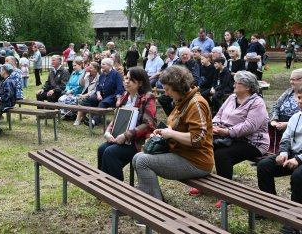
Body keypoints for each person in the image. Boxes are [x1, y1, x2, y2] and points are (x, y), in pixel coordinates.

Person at [132, 65, 214, 201]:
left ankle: (153, 209)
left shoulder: (196, 103)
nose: (165, 93)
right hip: (181, 154)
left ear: (178, 86)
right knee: (137, 157)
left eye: (167, 89)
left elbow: (198, 138)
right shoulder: (182, 101)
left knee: (142, 161)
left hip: (197, 161)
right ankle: (151, 199)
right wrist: (164, 132)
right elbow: (175, 127)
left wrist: (171, 134)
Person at [212, 71, 269, 207]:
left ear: (247, 87)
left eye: (238, 83)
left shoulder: (257, 102)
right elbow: (218, 114)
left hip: (253, 142)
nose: (234, 85)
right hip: (229, 136)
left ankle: (226, 195)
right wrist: (215, 125)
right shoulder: (232, 98)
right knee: (205, 146)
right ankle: (207, 185)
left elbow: (250, 126)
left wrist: (227, 131)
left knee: (221, 155)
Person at [257, 85, 302, 234]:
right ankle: (271, 207)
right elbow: (286, 138)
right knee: (264, 166)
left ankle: (295, 222)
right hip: (292, 155)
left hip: (300, 158)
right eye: (299, 98)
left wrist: (298, 159)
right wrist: (283, 152)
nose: (300, 102)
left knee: (298, 176)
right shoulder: (296, 117)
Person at [98, 67, 157, 181]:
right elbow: (116, 118)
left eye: (131, 79)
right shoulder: (126, 95)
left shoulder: (148, 97)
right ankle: (104, 185)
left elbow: (148, 124)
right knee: (102, 149)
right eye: (126, 78)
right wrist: (108, 132)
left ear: (140, 82)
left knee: (110, 153)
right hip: (121, 138)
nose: (126, 81)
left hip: (138, 142)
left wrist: (126, 135)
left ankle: (117, 190)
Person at [82, 58, 124, 128]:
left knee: (103, 103)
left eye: (103, 64)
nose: (101, 66)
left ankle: (93, 121)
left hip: (113, 96)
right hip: (102, 95)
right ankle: (92, 117)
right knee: (92, 98)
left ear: (109, 65)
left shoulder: (116, 74)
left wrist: (119, 99)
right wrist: (98, 94)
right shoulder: (102, 75)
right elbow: (98, 86)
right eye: (101, 64)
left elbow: (120, 88)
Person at [268, 69, 302, 154]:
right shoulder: (288, 92)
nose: (291, 82)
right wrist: (274, 120)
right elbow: (275, 106)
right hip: (279, 126)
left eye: (294, 79)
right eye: (290, 79)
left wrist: (288, 124)